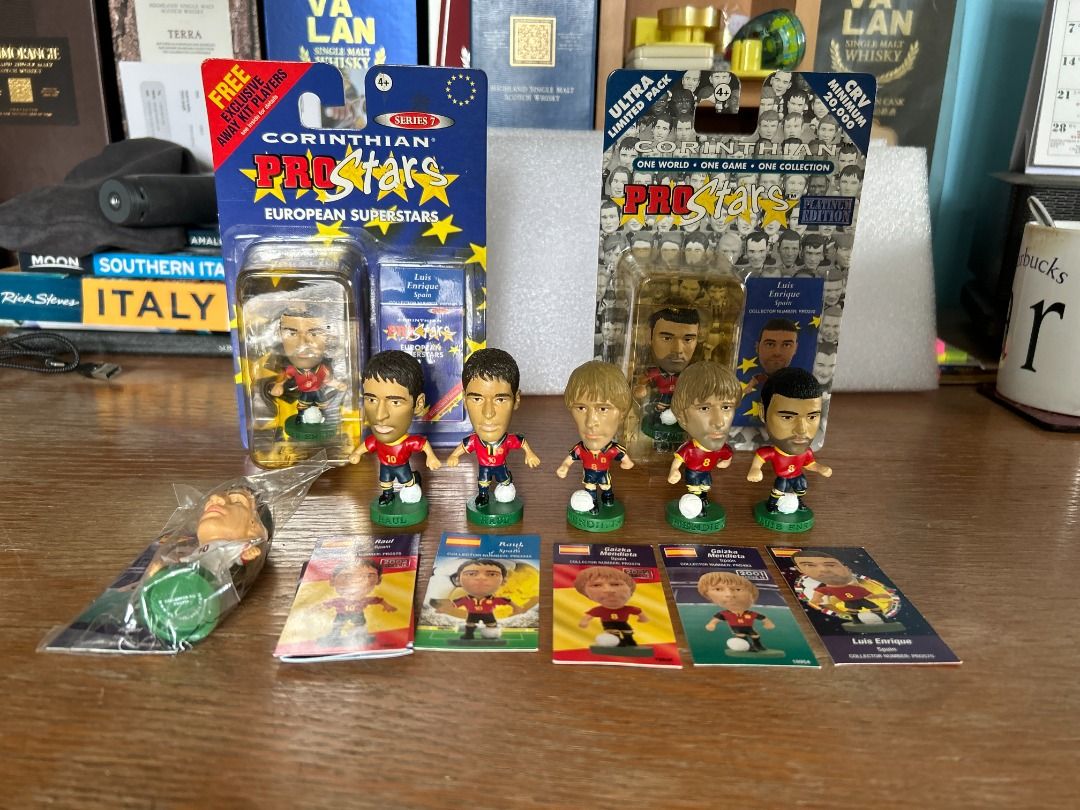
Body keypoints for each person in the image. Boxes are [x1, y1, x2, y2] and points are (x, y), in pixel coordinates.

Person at [445, 349, 540, 509]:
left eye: (500, 399)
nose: (488, 413)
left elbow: (521, 442)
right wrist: (454, 455)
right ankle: (483, 495)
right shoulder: (475, 440)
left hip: (501, 466)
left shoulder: (506, 440)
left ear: (516, 400)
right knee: (483, 481)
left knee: (504, 480)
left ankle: (506, 483)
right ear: (464, 399)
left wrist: (530, 454)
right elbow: (463, 447)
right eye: (477, 399)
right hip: (484, 467)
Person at [349, 349, 442, 506]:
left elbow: (423, 444)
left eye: (395, 402)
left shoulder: (406, 442)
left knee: (407, 481)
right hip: (385, 465)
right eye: (371, 400)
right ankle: (387, 495)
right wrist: (356, 453)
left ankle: (413, 481)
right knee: (385, 481)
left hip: (402, 466)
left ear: (418, 404)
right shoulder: (377, 440)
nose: (380, 415)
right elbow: (366, 445)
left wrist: (431, 457)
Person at [746, 367, 832, 515]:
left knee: (802, 486)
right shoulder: (773, 452)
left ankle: (798, 501)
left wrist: (820, 468)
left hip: (797, 475)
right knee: (779, 489)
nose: (802, 430)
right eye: (787, 417)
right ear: (763, 413)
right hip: (783, 477)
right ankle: (772, 504)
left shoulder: (806, 452)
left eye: (812, 417)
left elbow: (810, 464)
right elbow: (760, 458)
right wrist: (755, 469)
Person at [556, 361, 634, 515]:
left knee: (606, 486)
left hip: (603, 474)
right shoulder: (581, 449)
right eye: (581, 408)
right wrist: (564, 466)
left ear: (622, 413)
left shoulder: (611, 449)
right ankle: (592, 504)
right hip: (590, 475)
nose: (590, 422)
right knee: (590, 487)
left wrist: (627, 462)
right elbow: (571, 458)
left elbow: (622, 455)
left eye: (603, 409)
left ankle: (607, 497)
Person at [666, 362, 740, 512]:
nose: (719, 422)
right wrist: (674, 470)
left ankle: (703, 498)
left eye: (726, 407)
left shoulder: (722, 447)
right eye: (704, 408)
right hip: (693, 473)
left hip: (705, 473)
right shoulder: (690, 449)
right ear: (682, 416)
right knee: (694, 488)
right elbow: (679, 459)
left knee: (705, 486)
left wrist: (726, 461)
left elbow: (727, 455)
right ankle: (695, 504)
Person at [268, 307, 347, 429]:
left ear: (329, 337)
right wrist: (279, 385)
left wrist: (338, 384)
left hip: (318, 391)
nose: (302, 345)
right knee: (302, 406)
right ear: (279, 335)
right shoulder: (292, 369)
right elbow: (284, 378)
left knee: (323, 405)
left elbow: (329, 380)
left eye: (314, 334)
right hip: (305, 392)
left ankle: (324, 418)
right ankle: (300, 417)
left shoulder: (322, 369)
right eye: (292, 333)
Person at [632, 307, 700, 427]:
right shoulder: (653, 373)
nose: (678, 350)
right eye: (667, 338)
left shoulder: (692, 376)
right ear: (649, 336)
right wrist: (640, 388)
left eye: (688, 339)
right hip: (659, 404)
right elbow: (643, 383)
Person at [791, 550, 897, 626]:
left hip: (861, 600)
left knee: (875, 608)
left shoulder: (857, 586)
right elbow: (817, 596)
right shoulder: (825, 589)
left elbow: (870, 594)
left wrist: (880, 595)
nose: (824, 569)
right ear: (799, 569)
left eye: (830, 565)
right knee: (853, 611)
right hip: (849, 602)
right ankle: (856, 620)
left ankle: (883, 619)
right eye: (809, 565)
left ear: (846, 568)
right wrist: (815, 600)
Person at [441, 558, 527, 640]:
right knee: (470, 624)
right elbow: (454, 603)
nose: (481, 579)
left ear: (503, 581)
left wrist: (517, 607)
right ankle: (469, 635)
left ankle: (491, 635)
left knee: (491, 624)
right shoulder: (465, 599)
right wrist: (445, 608)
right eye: (471, 574)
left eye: (492, 574)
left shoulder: (494, 599)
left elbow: (507, 601)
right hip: (472, 614)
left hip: (487, 614)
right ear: (458, 580)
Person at [698, 571, 775, 651]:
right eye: (718, 589)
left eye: (738, 589)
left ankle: (758, 646)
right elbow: (717, 619)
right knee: (741, 636)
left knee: (755, 635)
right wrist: (712, 624)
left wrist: (768, 623)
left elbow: (762, 618)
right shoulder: (726, 613)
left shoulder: (750, 613)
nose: (729, 594)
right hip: (736, 628)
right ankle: (748, 647)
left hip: (748, 627)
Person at [575, 566, 649, 648]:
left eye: (616, 584)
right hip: (608, 624)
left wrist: (643, 618)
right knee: (613, 633)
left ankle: (630, 642)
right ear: (586, 594)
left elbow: (639, 612)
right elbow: (589, 616)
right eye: (596, 585)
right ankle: (618, 643)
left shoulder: (629, 608)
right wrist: (584, 622)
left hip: (622, 623)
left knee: (627, 631)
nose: (608, 590)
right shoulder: (599, 610)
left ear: (630, 589)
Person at [324, 561, 395, 644]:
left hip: (358, 614)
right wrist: (316, 609)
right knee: (338, 625)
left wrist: (387, 606)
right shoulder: (339, 601)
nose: (357, 582)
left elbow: (378, 600)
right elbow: (326, 604)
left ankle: (361, 635)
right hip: (342, 614)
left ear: (379, 580)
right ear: (332, 581)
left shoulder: (363, 600)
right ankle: (334, 635)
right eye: (347, 576)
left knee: (360, 625)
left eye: (369, 576)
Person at [744, 318, 799, 393]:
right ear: (757, 347)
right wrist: (749, 387)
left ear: (795, 348)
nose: (777, 353)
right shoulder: (761, 378)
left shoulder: (795, 380)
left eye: (786, 345)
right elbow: (754, 381)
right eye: (770, 344)